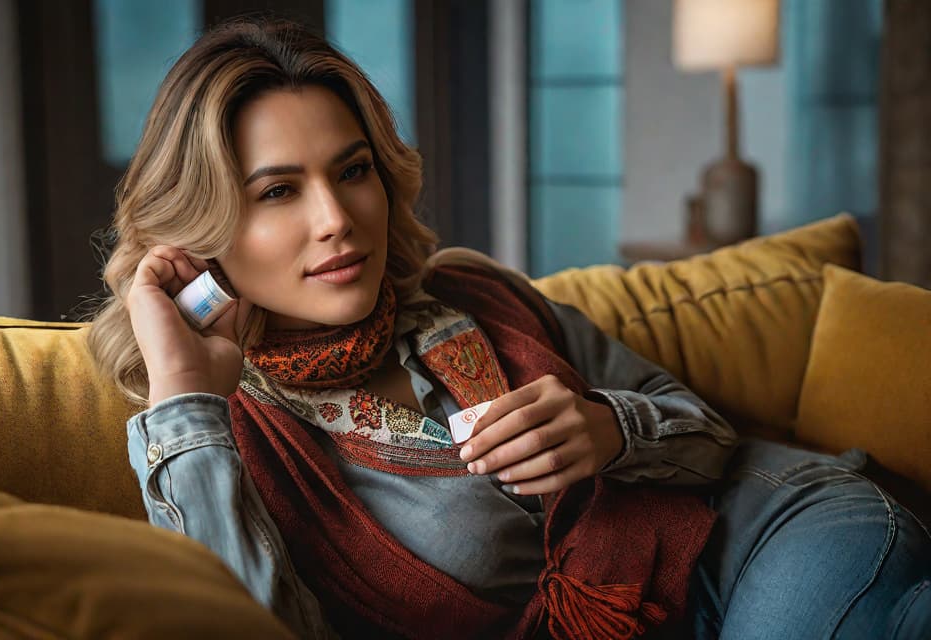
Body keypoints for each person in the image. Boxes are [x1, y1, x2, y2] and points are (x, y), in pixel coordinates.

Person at [88, 18, 931, 640]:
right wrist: (186, 395)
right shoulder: (214, 435)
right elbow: (251, 625)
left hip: (770, 532)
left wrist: (612, 431)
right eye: (278, 192)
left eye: (353, 172)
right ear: (200, 232)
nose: (337, 218)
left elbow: (711, 436)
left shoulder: (471, 295)